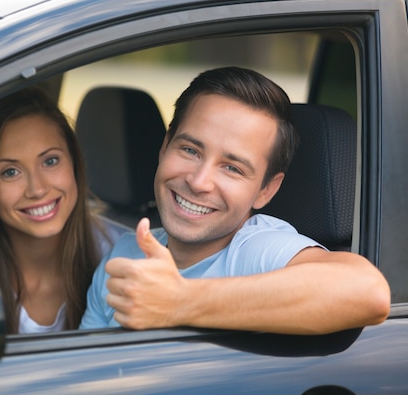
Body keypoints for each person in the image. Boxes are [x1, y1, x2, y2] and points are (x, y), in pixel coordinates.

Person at [80, 66, 390, 335]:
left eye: (232, 168)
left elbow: (367, 292)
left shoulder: (256, 250)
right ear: (165, 147)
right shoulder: (125, 252)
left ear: (266, 189)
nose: (199, 182)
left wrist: (180, 301)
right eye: (190, 150)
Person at [0, 87, 128, 334]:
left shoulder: (124, 255)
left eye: (50, 161)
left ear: (75, 163)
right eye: (10, 172)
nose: (37, 189)